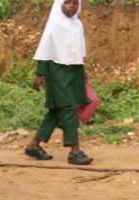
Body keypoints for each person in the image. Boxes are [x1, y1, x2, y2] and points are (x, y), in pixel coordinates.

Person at [24, 0, 93, 165]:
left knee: (56, 111)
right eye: (67, 2)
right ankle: (74, 151)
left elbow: (78, 50)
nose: (71, 6)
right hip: (56, 71)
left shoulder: (77, 25)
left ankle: (33, 145)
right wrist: (40, 73)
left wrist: (83, 73)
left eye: (75, 3)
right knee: (69, 107)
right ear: (59, 4)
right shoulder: (54, 24)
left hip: (74, 71)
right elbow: (45, 49)